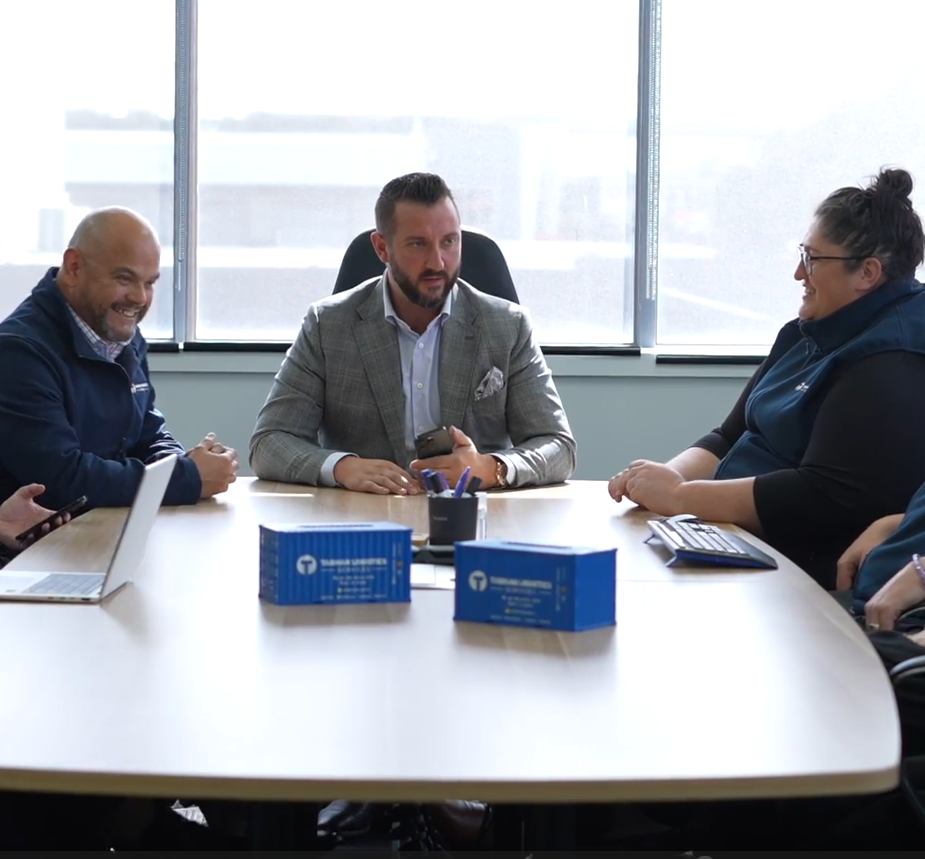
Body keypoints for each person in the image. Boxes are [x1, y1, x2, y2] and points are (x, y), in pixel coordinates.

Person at [608, 168, 925, 589]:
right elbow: (728, 436)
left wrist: (681, 498)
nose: (798, 273)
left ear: (867, 273)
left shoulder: (891, 359)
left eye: (812, 259)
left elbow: (821, 495)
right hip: (731, 534)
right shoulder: (806, 331)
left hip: (803, 570)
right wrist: (658, 481)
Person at [249, 172, 576, 493]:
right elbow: (269, 442)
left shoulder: (507, 326)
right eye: (418, 244)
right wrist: (342, 467)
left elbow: (558, 447)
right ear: (382, 248)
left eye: (449, 241)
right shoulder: (327, 325)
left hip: (470, 519)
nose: (438, 262)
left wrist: (490, 468)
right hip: (365, 518)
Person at [0, 207, 238, 510]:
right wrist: (186, 477)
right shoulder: (18, 352)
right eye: (125, 278)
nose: (139, 298)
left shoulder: (120, 335)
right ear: (73, 267)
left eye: (150, 283)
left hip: (100, 532)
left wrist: (180, 461)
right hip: (35, 549)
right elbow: (60, 481)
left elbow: (146, 435)